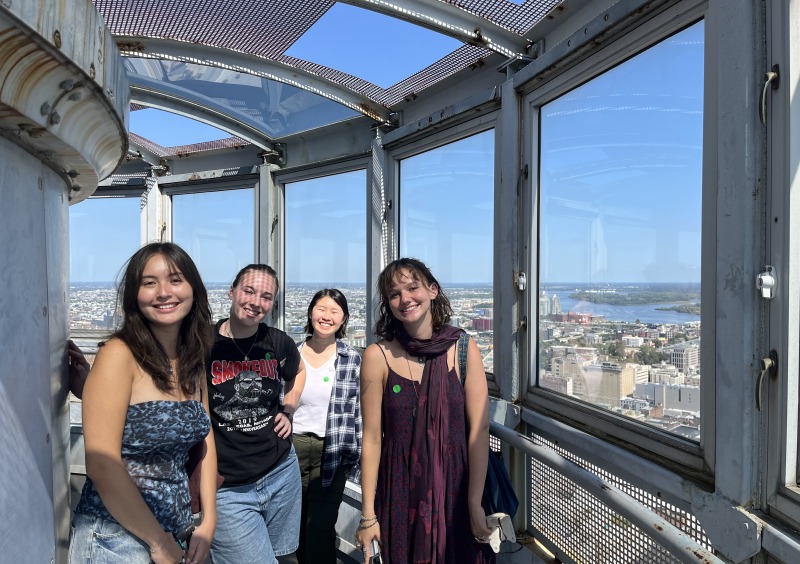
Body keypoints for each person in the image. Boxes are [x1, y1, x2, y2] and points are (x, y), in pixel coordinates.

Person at [69, 242, 217, 564]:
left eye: (175, 279)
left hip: (177, 533)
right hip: (116, 539)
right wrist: (158, 542)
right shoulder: (119, 355)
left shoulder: (193, 359)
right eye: (149, 283)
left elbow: (206, 440)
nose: (164, 292)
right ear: (135, 295)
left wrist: (208, 521)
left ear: (194, 289)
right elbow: (101, 464)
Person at [356, 258, 495, 564]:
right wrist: (368, 515)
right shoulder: (377, 356)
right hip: (400, 491)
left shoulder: (463, 348)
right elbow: (372, 439)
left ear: (433, 290)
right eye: (394, 294)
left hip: (456, 489)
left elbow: (479, 430)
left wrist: (474, 501)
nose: (405, 299)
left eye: (412, 288)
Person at [208, 264, 306, 564]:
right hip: (228, 486)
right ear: (232, 292)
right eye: (249, 291)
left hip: (280, 470)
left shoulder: (277, 342)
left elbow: (299, 372)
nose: (256, 302)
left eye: (266, 296)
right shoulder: (204, 345)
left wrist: (288, 409)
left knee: (286, 557)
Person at [293, 289, 362, 564]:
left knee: (320, 526)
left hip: (332, 450)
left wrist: (356, 457)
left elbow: (359, 411)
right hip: (292, 448)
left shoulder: (351, 359)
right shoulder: (292, 353)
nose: (327, 316)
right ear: (311, 312)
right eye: (322, 309)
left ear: (343, 319)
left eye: (335, 311)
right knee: (292, 523)